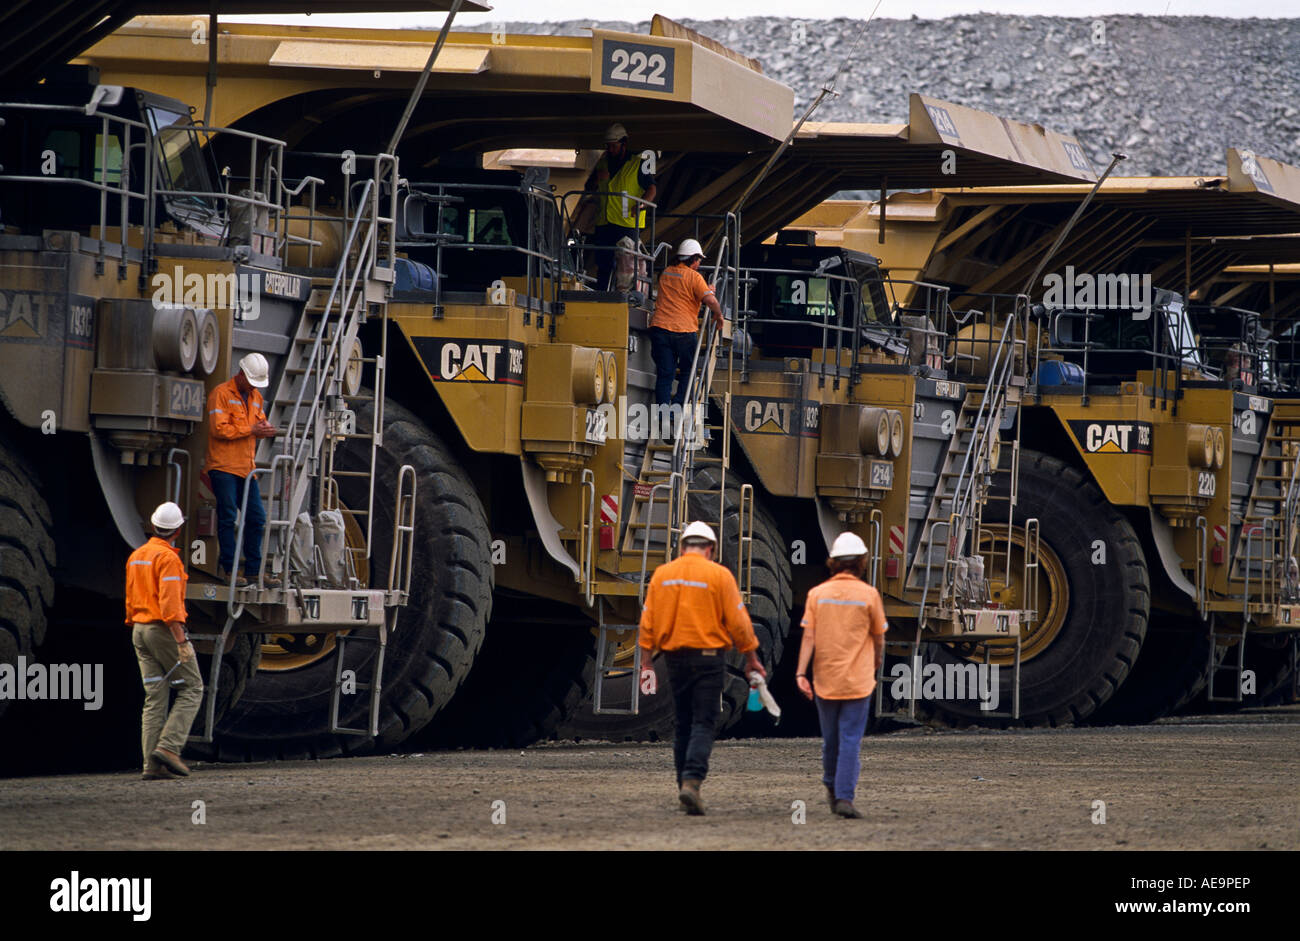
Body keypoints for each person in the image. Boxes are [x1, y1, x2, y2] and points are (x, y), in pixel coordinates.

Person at [638, 520, 764, 815]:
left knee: (682, 722)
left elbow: (648, 622)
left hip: (674, 660)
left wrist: (646, 663)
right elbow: (739, 623)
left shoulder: (662, 575)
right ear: (711, 549)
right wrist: (751, 658)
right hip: (708, 659)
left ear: (682, 547)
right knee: (704, 721)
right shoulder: (719, 575)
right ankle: (692, 782)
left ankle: (683, 783)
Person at [796, 531, 888, 819]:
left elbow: (808, 637)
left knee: (831, 740)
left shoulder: (816, 595)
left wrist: (801, 673)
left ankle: (831, 787)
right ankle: (844, 798)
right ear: (861, 562)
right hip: (859, 681)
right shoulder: (869, 595)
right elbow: (878, 638)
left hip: (825, 679)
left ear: (833, 562)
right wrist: (875, 662)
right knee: (850, 739)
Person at [127, 502, 203, 780]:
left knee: (155, 697)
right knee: (193, 687)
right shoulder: (168, 559)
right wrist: (181, 641)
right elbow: (170, 606)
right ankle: (169, 748)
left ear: (154, 525)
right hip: (162, 629)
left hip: (139, 630)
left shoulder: (137, 555)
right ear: (178, 530)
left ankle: (151, 765)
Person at [204, 352, 279, 588]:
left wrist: (265, 429)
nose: (254, 386)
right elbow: (219, 429)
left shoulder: (256, 397)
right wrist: (252, 430)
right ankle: (231, 570)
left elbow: (258, 423)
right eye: (252, 381)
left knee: (256, 518)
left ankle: (254, 572)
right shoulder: (221, 394)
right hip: (223, 467)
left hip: (247, 469)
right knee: (228, 518)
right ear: (241, 374)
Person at [650, 238, 724, 409]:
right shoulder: (694, 277)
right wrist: (718, 315)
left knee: (665, 374)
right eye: (698, 260)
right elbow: (711, 301)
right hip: (683, 332)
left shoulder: (667, 272)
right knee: (688, 372)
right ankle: (676, 407)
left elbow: (682, 291)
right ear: (693, 259)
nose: (699, 264)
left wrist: (705, 289)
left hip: (660, 329)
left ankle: (662, 414)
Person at [586, 122, 656, 290]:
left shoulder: (637, 164)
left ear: (623, 144)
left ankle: (628, 296)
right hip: (605, 222)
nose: (610, 149)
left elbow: (652, 188)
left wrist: (640, 205)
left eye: (614, 146)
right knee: (603, 263)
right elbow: (589, 187)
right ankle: (602, 294)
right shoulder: (603, 163)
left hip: (627, 223)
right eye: (608, 146)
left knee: (628, 265)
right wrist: (597, 179)